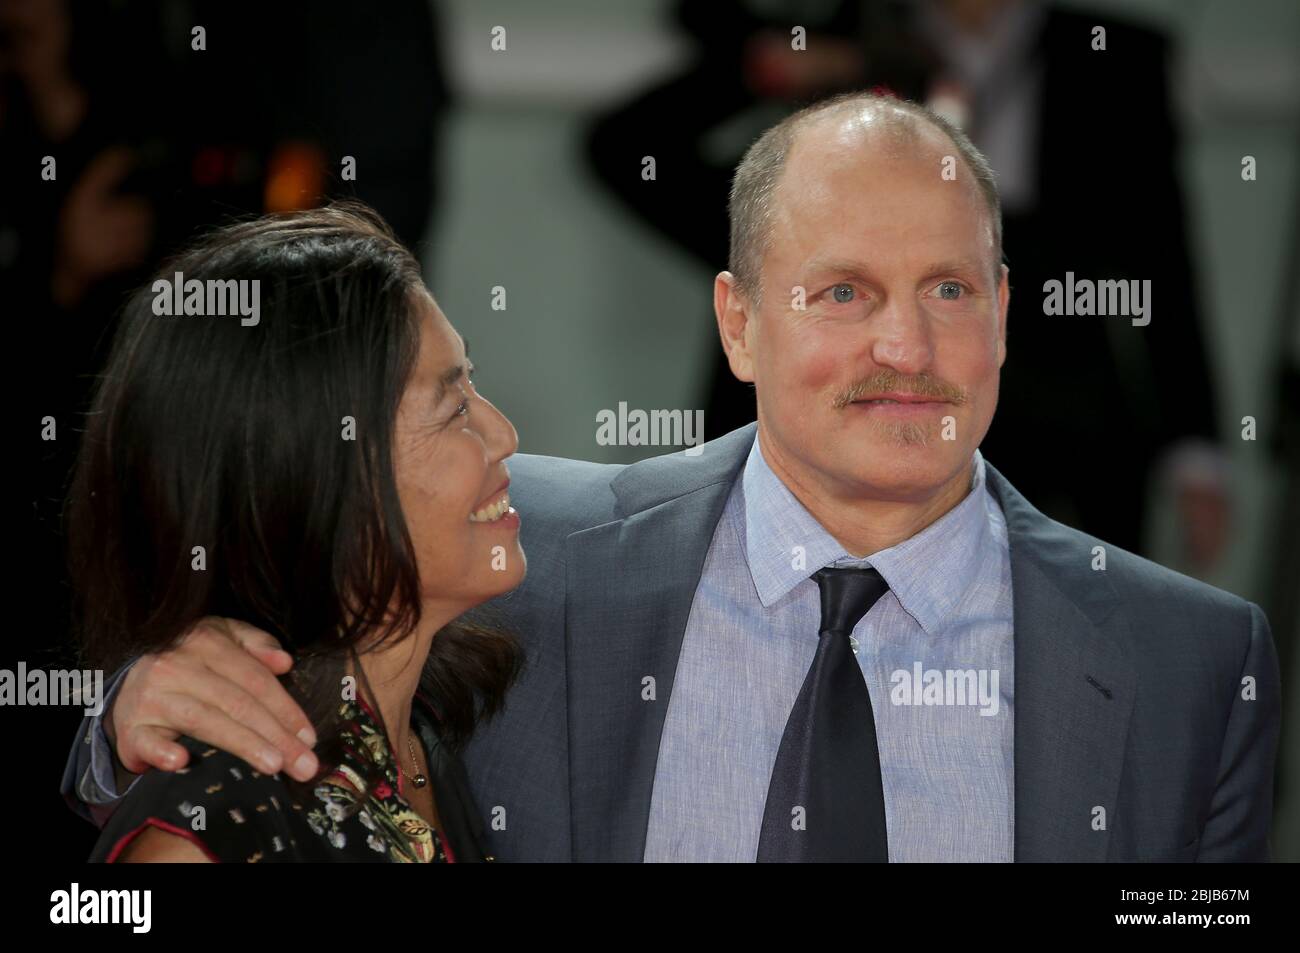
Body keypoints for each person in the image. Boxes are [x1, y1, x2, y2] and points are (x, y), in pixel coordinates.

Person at [66, 94, 1280, 862]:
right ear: (739, 324)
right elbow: (278, 589)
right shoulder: (509, 546)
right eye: (842, 292)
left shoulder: (1191, 667)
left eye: (949, 290)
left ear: (1005, 315)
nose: (904, 350)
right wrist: (134, 715)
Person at [66, 203, 524, 861]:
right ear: (318, 476)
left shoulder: (424, 735)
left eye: (471, 385)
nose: (506, 435)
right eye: (452, 406)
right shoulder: (208, 826)